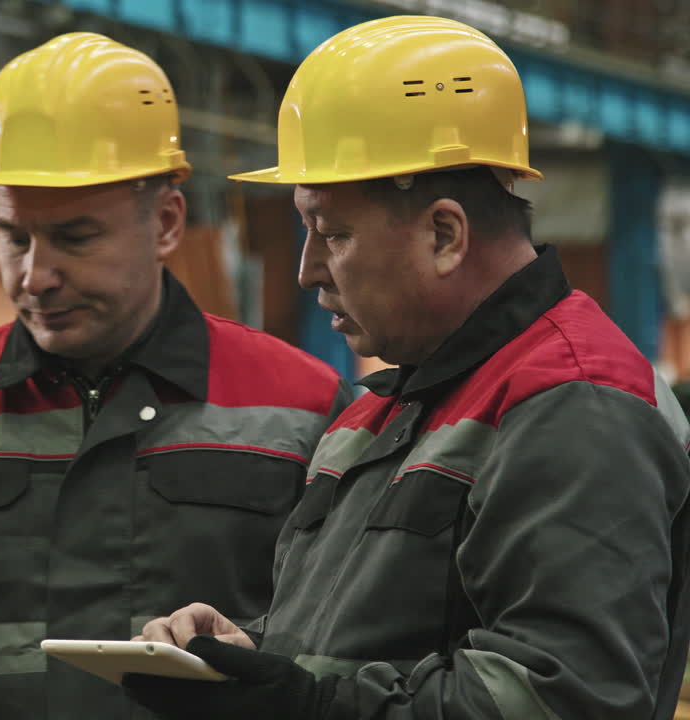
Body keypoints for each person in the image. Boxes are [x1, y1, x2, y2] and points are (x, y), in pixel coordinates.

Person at [126, 15, 690, 720]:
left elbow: (562, 698)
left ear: (445, 234)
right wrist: (251, 655)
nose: (306, 271)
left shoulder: (577, 404)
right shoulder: (376, 419)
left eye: (333, 234)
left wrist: (300, 707)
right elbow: (362, 653)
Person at [0, 31, 351, 720]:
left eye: (75, 238)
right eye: (13, 236)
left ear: (167, 222)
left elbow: (341, 659)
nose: (34, 276)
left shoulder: (303, 409)